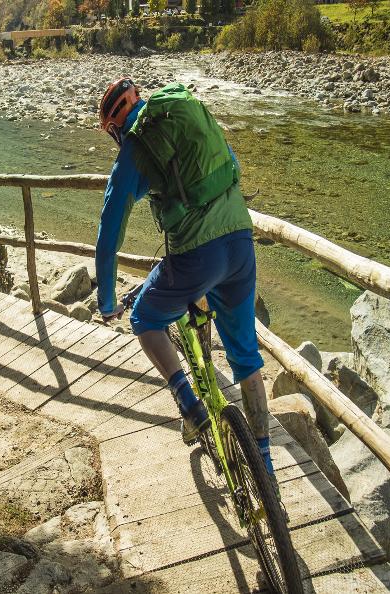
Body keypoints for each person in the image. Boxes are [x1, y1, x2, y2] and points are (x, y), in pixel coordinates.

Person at [94, 77, 274, 475]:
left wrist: (107, 303)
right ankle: (267, 470)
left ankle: (190, 406)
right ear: (139, 100)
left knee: (144, 317)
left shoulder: (133, 151)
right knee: (246, 357)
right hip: (240, 241)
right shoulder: (184, 115)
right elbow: (233, 165)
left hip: (197, 257)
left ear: (114, 128)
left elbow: (108, 237)